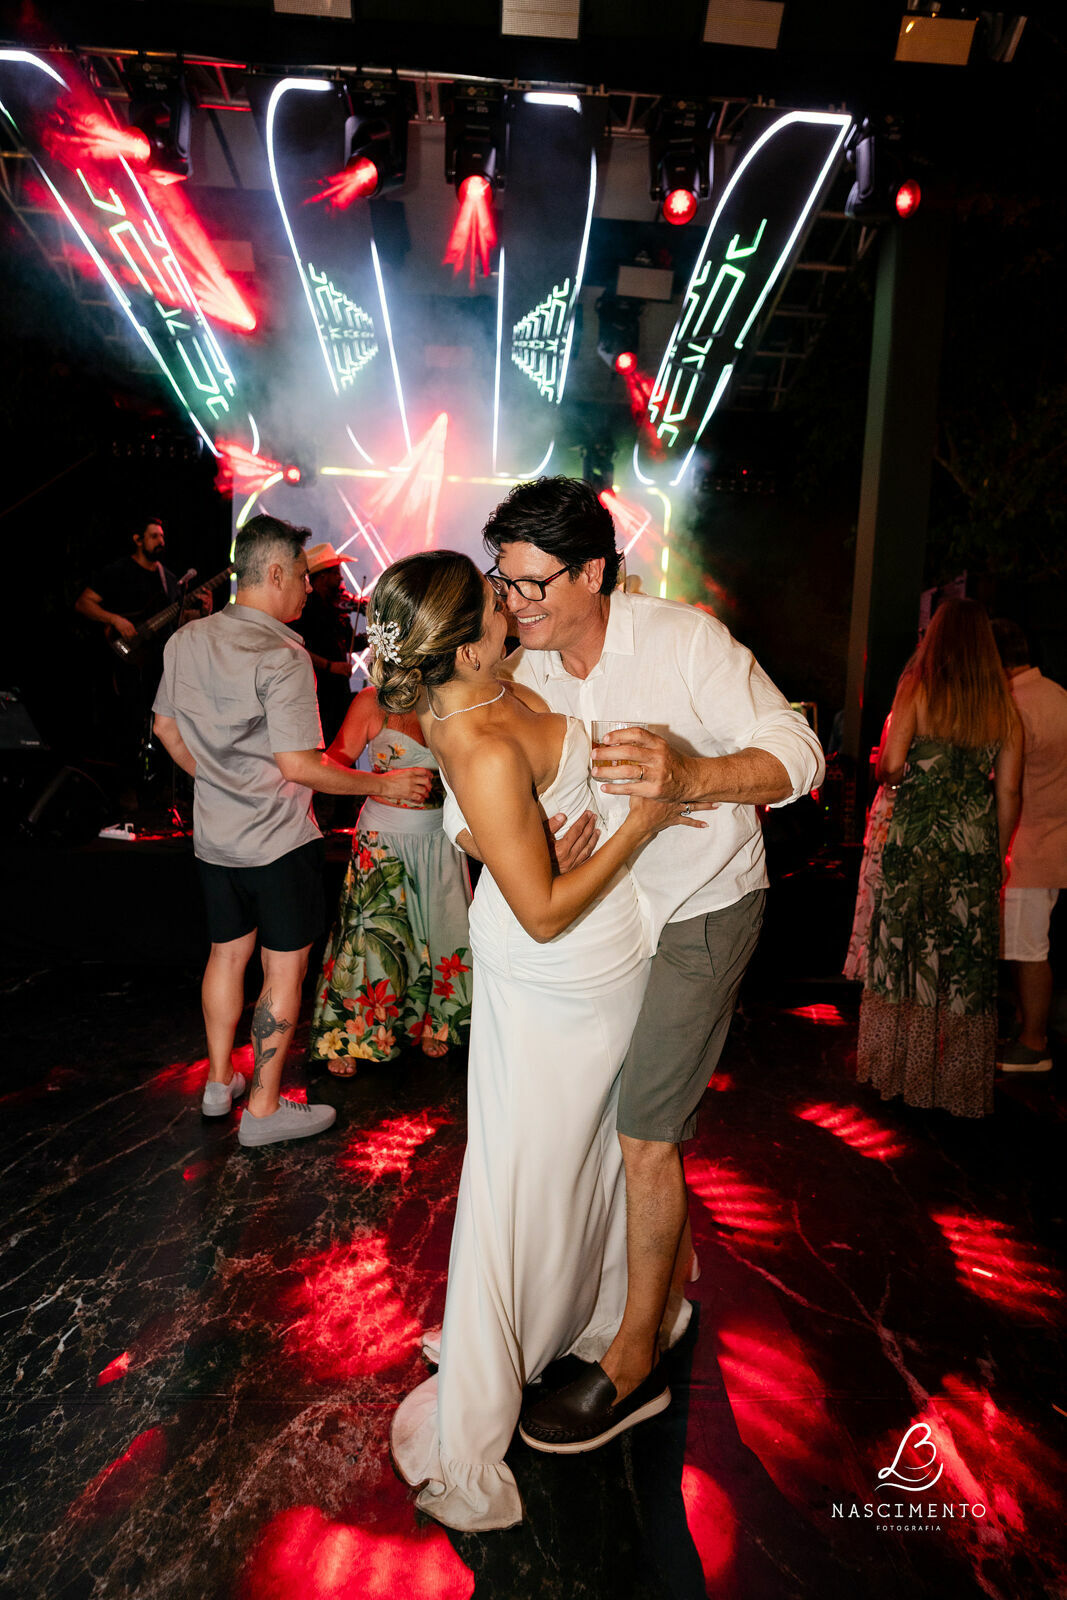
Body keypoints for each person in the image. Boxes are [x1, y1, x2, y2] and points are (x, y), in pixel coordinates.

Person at [460, 476, 824, 1456]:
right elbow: (487, 785)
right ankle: (653, 1279)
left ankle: (635, 1362)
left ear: (591, 572)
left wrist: (694, 775)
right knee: (599, 1121)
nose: (516, 602)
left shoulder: (682, 640)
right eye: (506, 582)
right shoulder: (523, 672)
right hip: (601, 928)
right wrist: (542, 837)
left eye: (536, 584)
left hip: (701, 909)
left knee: (643, 1134)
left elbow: (798, 751)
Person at [380, 550, 699, 1529]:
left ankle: (587, 1313)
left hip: (610, 952)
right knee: (526, 1164)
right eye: (496, 605)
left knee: (597, 1151)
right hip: (555, 969)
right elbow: (546, 910)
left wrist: (486, 835)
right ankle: (496, 1361)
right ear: (465, 650)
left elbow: (485, 821)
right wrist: (638, 826)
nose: (513, 609)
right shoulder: (471, 734)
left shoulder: (495, 681)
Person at [151, 514, 434, 1149]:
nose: (310, 590)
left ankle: (218, 1084)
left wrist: (219, 783)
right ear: (275, 573)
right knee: (283, 973)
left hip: (215, 841)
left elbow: (166, 731)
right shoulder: (283, 654)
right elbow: (299, 766)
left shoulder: (185, 642)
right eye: (304, 578)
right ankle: (264, 1109)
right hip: (277, 845)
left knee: (226, 955)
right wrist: (382, 786)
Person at [857, 598, 1023, 1118]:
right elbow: (1010, 792)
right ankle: (956, 1086)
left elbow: (892, 764)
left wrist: (914, 776)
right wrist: (994, 855)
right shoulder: (1003, 707)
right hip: (973, 845)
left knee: (907, 951)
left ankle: (897, 1071)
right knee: (962, 963)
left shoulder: (919, 688)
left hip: (917, 840)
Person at [308, 685, 473, 1073]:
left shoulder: (452, 693)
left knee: (444, 931)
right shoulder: (372, 701)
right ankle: (350, 1034)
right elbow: (328, 765)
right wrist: (380, 783)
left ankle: (439, 1021)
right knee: (373, 940)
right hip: (383, 840)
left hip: (441, 839)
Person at [76, 517, 205, 783]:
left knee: (162, 724)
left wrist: (203, 612)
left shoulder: (168, 578)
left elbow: (175, 619)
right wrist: (114, 619)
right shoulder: (117, 571)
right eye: (154, 536)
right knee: (126, 723)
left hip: (157, 666)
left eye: (162, 536)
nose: (161, 541)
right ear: (137, 539)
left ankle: (159, 788)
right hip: (123, 663)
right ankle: (124, 787)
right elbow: (84, 603)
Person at [992, 619, 1067, 1073]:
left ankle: (1033, 1042)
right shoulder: (1057, 694)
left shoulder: (1017, 705)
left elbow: (1009, 789)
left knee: (1027, 950)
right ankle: (1027, 1027)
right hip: (1053, 841)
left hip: (1028, 847)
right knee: (1030, 946)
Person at [290, 541, 361, 744]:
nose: (341, 578)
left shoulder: (336, 607)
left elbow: (349, 643)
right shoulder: (304, 609)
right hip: (318, 697)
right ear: (322, 576)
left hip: (339, 695)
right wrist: (331, 667)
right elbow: (297, 649)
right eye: (336, 573)